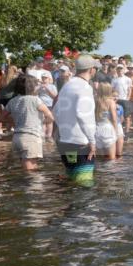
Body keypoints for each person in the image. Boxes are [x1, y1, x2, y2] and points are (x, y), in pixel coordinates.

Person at [53, 54, 99, 186]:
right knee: (84, 184)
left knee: (72, 179)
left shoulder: (67, 85)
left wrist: (61, 130)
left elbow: (55, 111)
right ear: (91, 70)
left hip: (65, 143)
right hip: (81, 143)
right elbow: (84, 116)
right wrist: (92, 140)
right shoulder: (85, 87)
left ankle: (71, 206)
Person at [1, 75, 53, 171]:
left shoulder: (12, 101)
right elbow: (50, 117)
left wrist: (14, 121)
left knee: (29, 169)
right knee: (30, 173)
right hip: (31, 138)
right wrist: (41, 121)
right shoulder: (36, 100)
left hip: (17, 138)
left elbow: (1, 118)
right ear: (32, 87)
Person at [93, 82, 120, 161]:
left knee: (100, 159)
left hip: (97, 129)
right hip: (107, 129)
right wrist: (116, 132)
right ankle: (109, 173)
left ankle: (102, 173)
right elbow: (114, 119)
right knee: (111, 159)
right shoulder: (111, 102)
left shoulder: (95, 100)